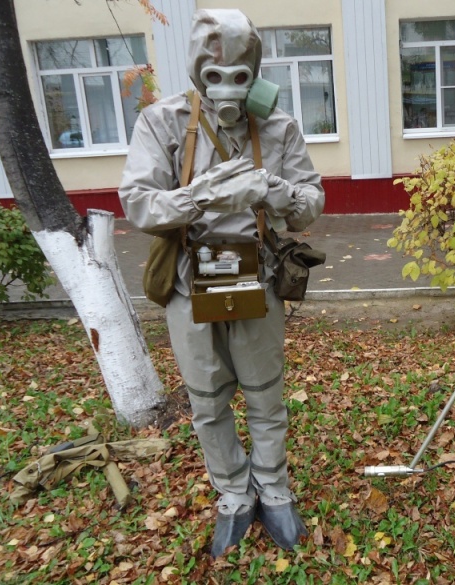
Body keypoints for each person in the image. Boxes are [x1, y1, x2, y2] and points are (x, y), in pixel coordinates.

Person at [119, 9, 324, 555]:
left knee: (265, 396)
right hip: (191, 282)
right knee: (207, 400)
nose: (230, 86)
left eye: (242, 74)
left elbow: (311, 203)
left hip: (255, 279)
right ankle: (233, 494)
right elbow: (138, 203)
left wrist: (270, 191)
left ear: (256, 72)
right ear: (196, 69)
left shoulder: (277, 125)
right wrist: (199, 197)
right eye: (216, 73)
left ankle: (274, 491)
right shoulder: (162, 122)